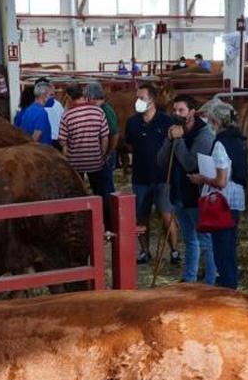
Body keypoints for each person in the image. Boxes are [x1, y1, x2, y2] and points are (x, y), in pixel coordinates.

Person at [159, 94, 216, 284]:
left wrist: (178, 140)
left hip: (197, 196)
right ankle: (189, 279)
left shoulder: (204, 134)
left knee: (206, 241)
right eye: (174, 110)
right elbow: (161, 161)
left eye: (181, 110)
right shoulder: (175, 131)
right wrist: (169, 139)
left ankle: (210, 282)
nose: (177, 114)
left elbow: (191, 163)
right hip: (179, 194)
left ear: (192, 112)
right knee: (189, 239)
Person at [191, 100, 248, 289]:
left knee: (222, 251)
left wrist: (202, 178)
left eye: (210, 121)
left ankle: (228, 290)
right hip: (237, 199)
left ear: (216, 122)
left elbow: (221, 181)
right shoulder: (239, 139)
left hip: (223, 202)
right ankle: (230, 286)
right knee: (229, 248)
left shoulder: (220, 144)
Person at [125, 83, 177, 265]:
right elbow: (130, 144)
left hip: (163, 178)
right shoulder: (132, 123)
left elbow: (173, 147)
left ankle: (174, 250)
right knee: (141, 216)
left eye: (141, 98)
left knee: (166, 214)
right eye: (137, 98)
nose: (137, 101)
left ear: (152, 100)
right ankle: (144, 251)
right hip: (140, 178)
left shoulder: (166, 121)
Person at [58, 83, 110, 196]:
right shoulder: (98, 111)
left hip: (75, 163)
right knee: (99, 192)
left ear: (69, 97)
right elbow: (105, 137)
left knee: (77, 194)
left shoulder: (67, 115)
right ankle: (102, 212)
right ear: (82, 94)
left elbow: (62, 141)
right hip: (95, 161)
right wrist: (102, 154)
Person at [86, 81, 118, 219]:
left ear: (92, 97)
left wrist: (108, 153)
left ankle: (110, 219)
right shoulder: (99, 109)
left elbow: (114, 133)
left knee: (105, 189)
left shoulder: (105, 110)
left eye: (87, 97)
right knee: (99, 187)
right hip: (97, 156)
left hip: (104, 156)